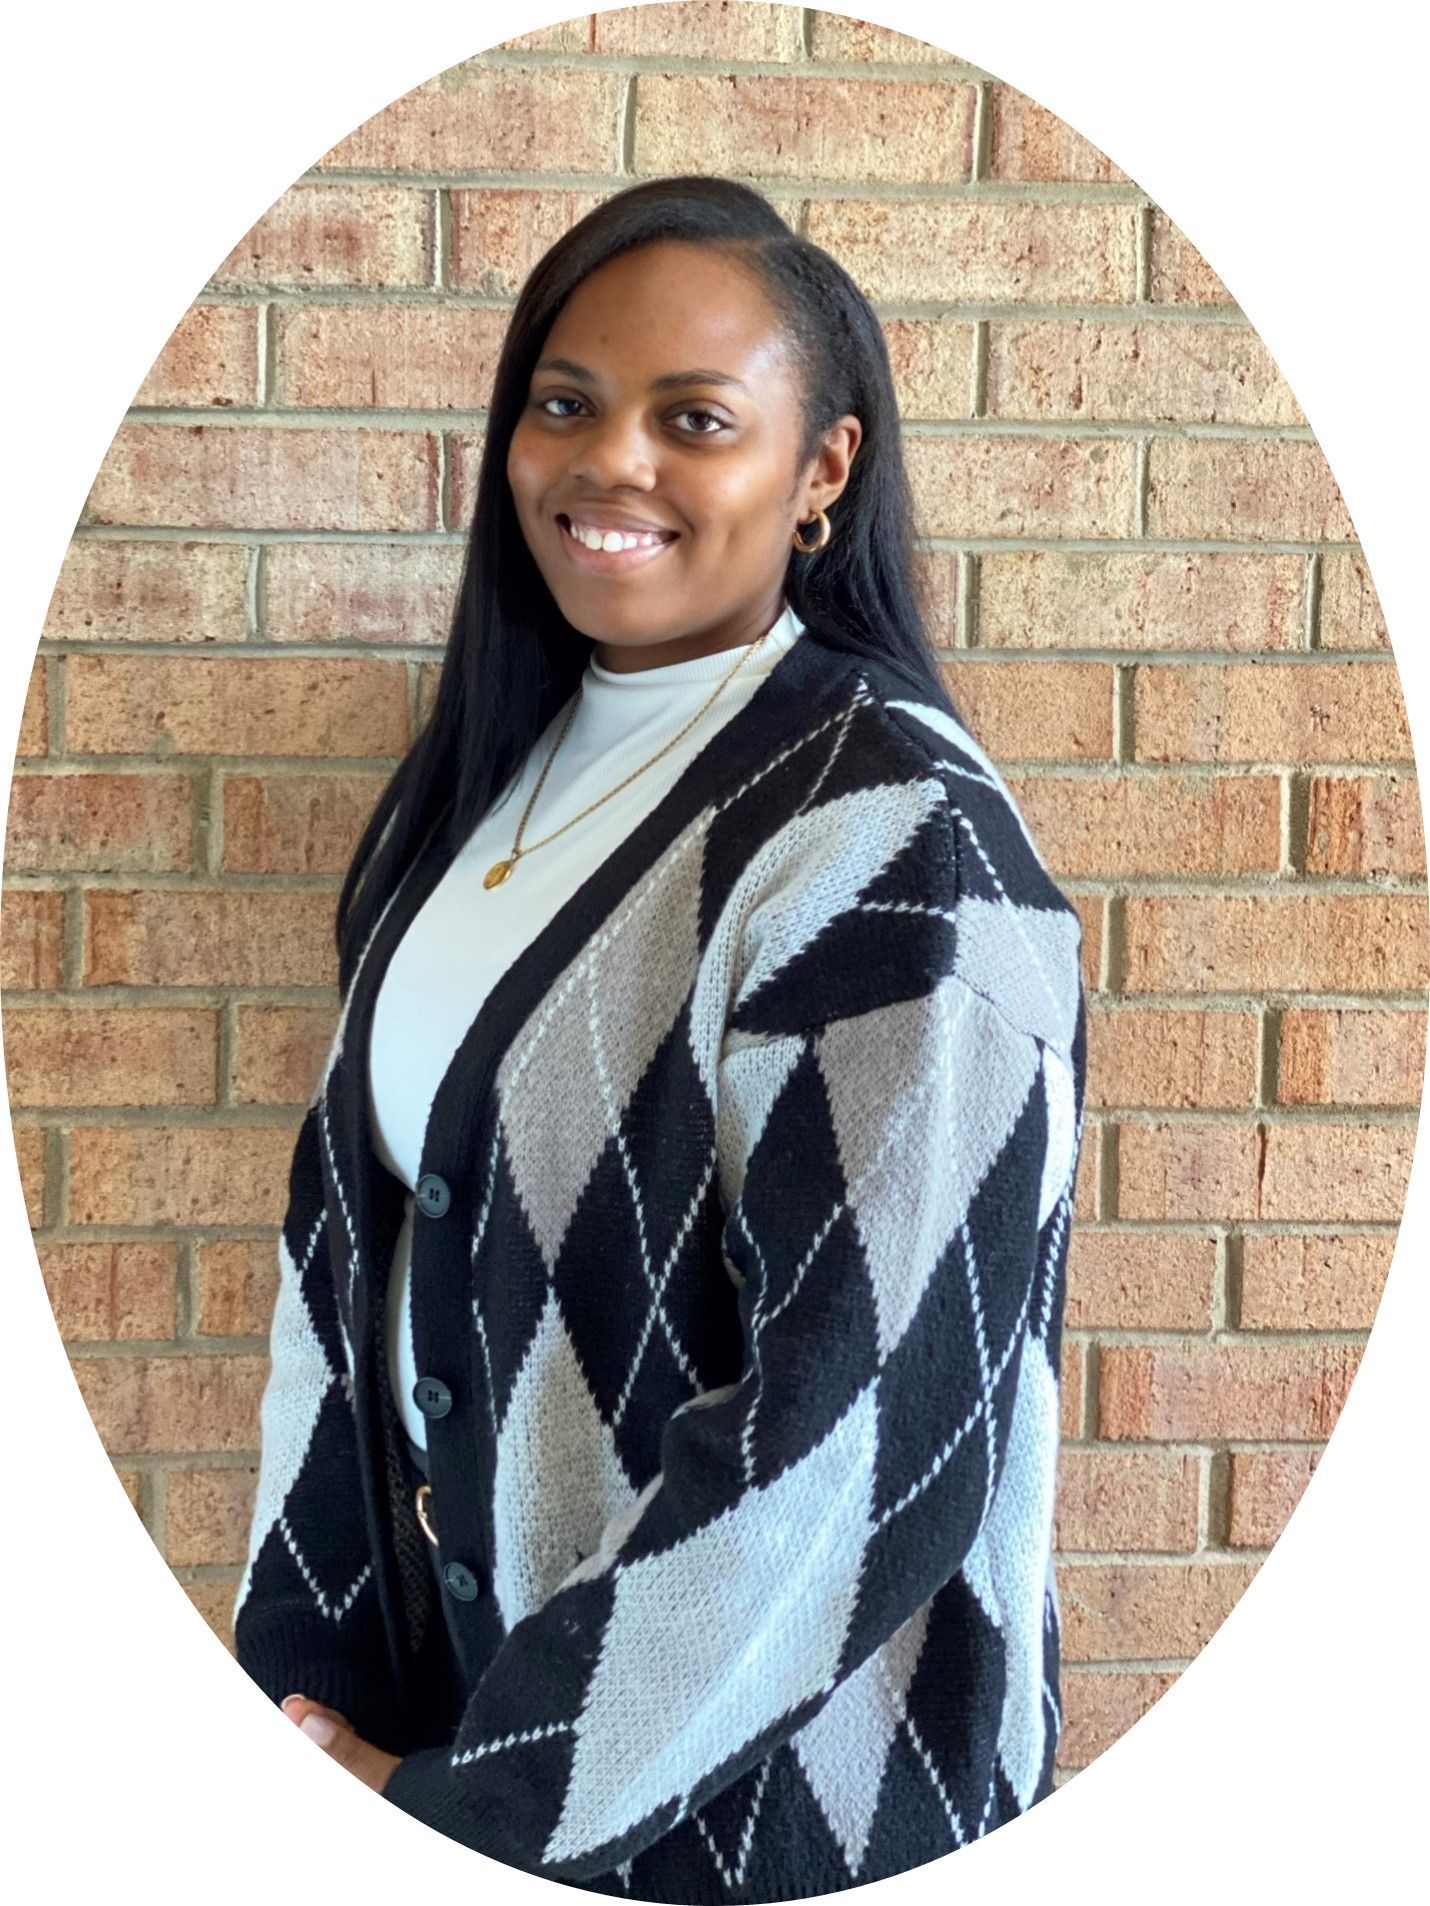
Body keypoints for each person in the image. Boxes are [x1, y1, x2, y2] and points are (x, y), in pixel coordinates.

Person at [233, 174, 1087, 1903]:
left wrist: (481, 1801)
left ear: (821, 471)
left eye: (693, 418)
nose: (608, 461)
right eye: (565, 404)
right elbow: (349, 1269)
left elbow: (856, 1431)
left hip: (759, 1816)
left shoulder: (893, 838)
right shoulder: (506, 771)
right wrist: (300, 1684)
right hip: (455, 1730)